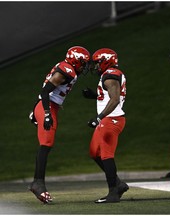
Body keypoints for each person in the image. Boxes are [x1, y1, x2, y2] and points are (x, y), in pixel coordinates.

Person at [28, 46, 91, 204]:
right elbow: (45, 91)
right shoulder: (66, 70)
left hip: (49, 106)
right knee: (46, 143)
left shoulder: (69, 69)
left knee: (47, 144)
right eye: (83, 63)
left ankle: (38, 182)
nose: (84, 66)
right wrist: (46, 113)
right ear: (75, 61)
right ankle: (38, 183)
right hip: (47, 105)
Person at [82, 48, 128, 203]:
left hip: (111, 119)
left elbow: (114, 99)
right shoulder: (109, 75)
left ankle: (113, 192)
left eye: (97, 63)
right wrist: (94, 96)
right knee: (94, 153)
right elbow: (109, 96)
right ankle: (118, 184)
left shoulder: (110, 75)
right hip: (109, 119)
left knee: (106, 155)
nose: (95, 66)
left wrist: (99, 117)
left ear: (105, 61)